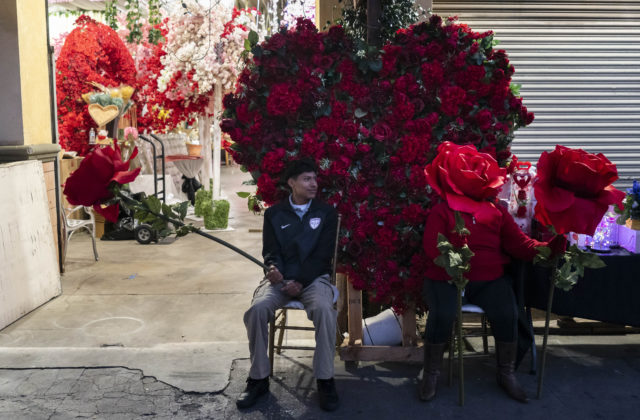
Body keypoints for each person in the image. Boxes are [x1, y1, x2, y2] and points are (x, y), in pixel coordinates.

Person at [419, 146, 566, 404]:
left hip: (488, 279)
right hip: (447, 277)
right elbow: (433, 247)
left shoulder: (497, 210)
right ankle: (431, 373)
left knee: (507, 311)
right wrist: (454, 262)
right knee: (442, 313)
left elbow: (519, 244)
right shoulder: (442, 211)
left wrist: (548, 249)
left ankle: (506, 373)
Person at [236, 158, 340, 411]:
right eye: (307, 179)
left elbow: (323, 256)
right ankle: (259, 379)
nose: (314, 184)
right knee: (257, 310)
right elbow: (270, 252)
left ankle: (325, 380)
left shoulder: (325, 213)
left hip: (314, 280)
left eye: (315, 178)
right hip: (280, 280)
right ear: (291, 183)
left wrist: (301, 282)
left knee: (325, 310)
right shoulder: (274, 214)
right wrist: (272, 268)